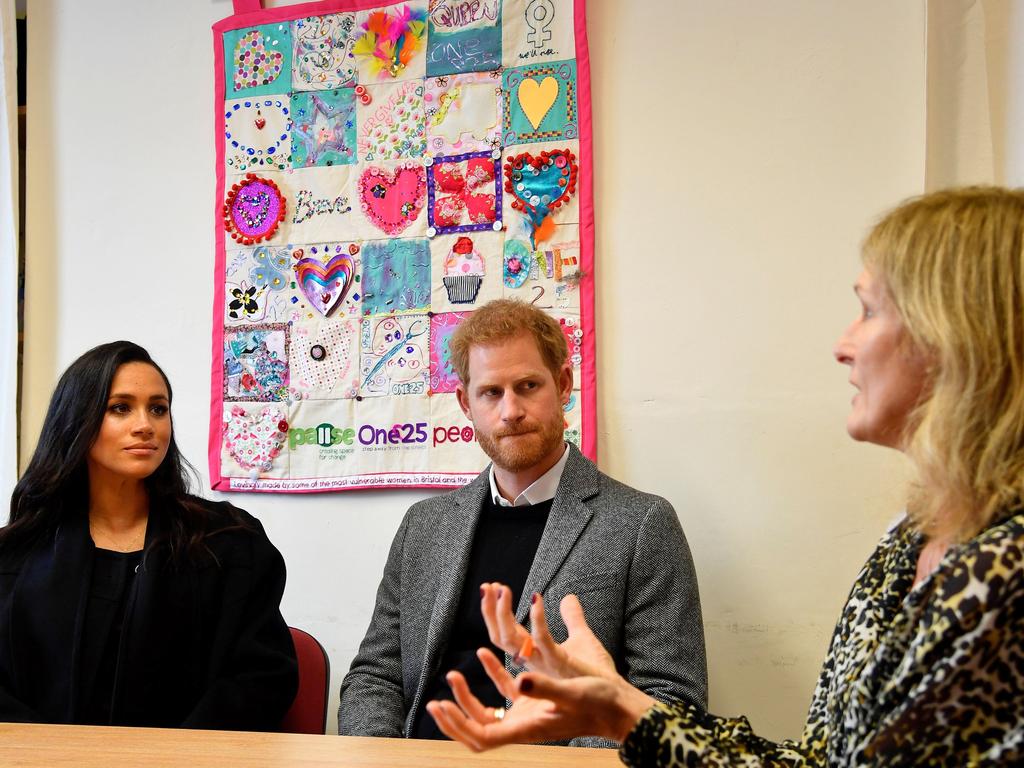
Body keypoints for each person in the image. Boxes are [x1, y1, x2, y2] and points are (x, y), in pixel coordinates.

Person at [426, 187, 1024, 766]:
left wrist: (619, 717)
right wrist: (618, 709)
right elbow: (820, 760)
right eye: (491, 391)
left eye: (869, 311)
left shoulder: (1004, 572)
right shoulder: (908, 544)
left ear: (956, 336)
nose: (843, 345)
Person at [338, 299, 707, 745]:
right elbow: (374, 676)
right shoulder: (423, 525)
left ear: (564, 384)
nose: (510, 411)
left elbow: (673, 701)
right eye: (491, 392)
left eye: (528, 385)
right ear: (465, 403)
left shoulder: (642, 524)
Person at [0, 341, 297, 729]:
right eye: (120, 408)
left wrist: (175, 754)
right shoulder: (15, 554)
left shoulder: (228, 541)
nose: (145, 425)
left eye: (158, 408)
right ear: (76, 420)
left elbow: (262, 677)